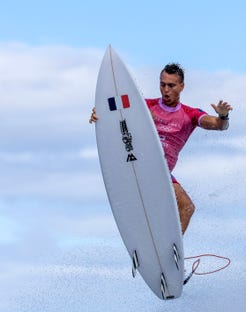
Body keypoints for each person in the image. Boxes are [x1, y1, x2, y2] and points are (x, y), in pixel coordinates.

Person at [89, 63, 232, 234]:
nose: (166, 90)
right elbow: (109, 108)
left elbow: (219, 125)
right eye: (162, 84)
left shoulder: (190, 114)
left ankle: (170, 250)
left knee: (187, 208)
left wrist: (223, 115)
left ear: (182, 86)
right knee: (142, 112)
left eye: (171, 85)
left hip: (162, 174)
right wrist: (98, 114)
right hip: (136, 163)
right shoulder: (145, 105)